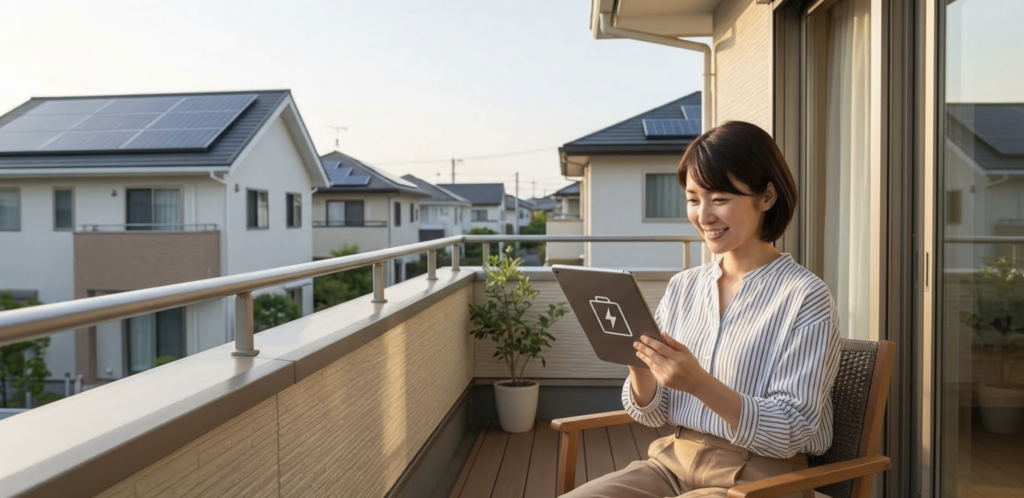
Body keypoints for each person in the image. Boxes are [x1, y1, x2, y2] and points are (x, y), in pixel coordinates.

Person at [562, 121, 841, 498]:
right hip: (670, 463)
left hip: (760, 478)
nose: (703, 215)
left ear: (767, 197)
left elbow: (796, 428)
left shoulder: (804, 296)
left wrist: (699, 384)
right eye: (693, 199)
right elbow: (652, 415)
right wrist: (637, 361)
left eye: (720, 199)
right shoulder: (684, 286)